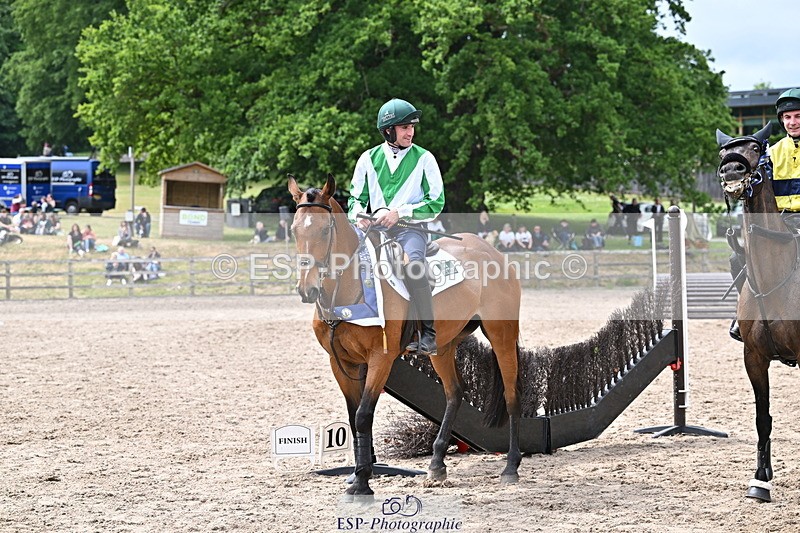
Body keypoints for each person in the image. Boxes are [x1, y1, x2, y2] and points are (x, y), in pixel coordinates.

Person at [349, 98, 444, 356]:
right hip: (373, 231)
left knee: (413, 266)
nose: (410, 132)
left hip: (409, 229)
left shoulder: (425, 158)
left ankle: (428, 334)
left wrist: (399, 213)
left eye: (412, 126)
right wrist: (360, 215)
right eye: (404, 127)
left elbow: (436, 202)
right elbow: (355, 198)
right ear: (389, 130)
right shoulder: (368, 159)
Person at [730, 88, 800, 341]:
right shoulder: (771, 152)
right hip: (779, 221)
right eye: (787, 118)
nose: (792, 122)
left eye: (797, 116)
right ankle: (744, 315)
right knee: (735, 259)